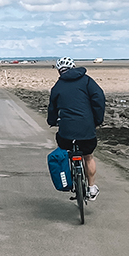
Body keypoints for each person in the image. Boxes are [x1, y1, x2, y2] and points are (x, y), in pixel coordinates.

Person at [47, 56, 105, 200]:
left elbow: (52, 108)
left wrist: (52, 121)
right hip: (86, 129)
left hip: (66, 132)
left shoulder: (57, 86)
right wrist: (97, 120)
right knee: (88, 156)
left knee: (65, 149)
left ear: (59, 71)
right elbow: (99, 98)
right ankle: (91, 188)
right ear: (73, 67)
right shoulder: (86, 81)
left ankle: (70, 178)